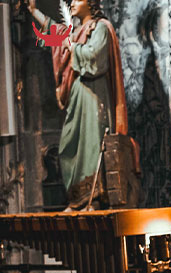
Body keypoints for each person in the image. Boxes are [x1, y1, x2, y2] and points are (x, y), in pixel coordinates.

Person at [27, 0, 134, 210]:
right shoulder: (77, 30)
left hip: (93, 96)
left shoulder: (101, 27)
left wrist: (73, 47)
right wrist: (34, 11)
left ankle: (92, 198)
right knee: (68, 145)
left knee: (90, 145)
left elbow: (96, 59)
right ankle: (77, 198)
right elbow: (55, 32)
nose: (72, 3)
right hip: (78, 96)